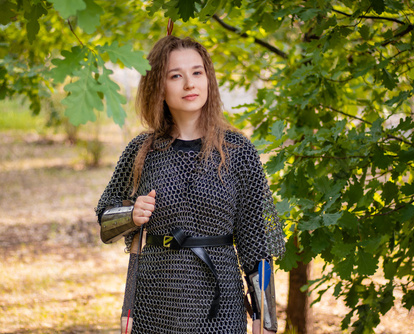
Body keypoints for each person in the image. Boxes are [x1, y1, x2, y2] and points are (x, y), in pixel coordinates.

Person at [96, 35, 286, 334]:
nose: (189, 84)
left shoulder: (237, 151)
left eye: (197, 73)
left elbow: (257, 243)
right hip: (156, 304)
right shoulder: (142, 151)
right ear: (159, 87)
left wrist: (266, 316)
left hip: (221, 302)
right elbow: (105, 221)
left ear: (208, 79)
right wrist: (131, 215)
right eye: (176, 75)